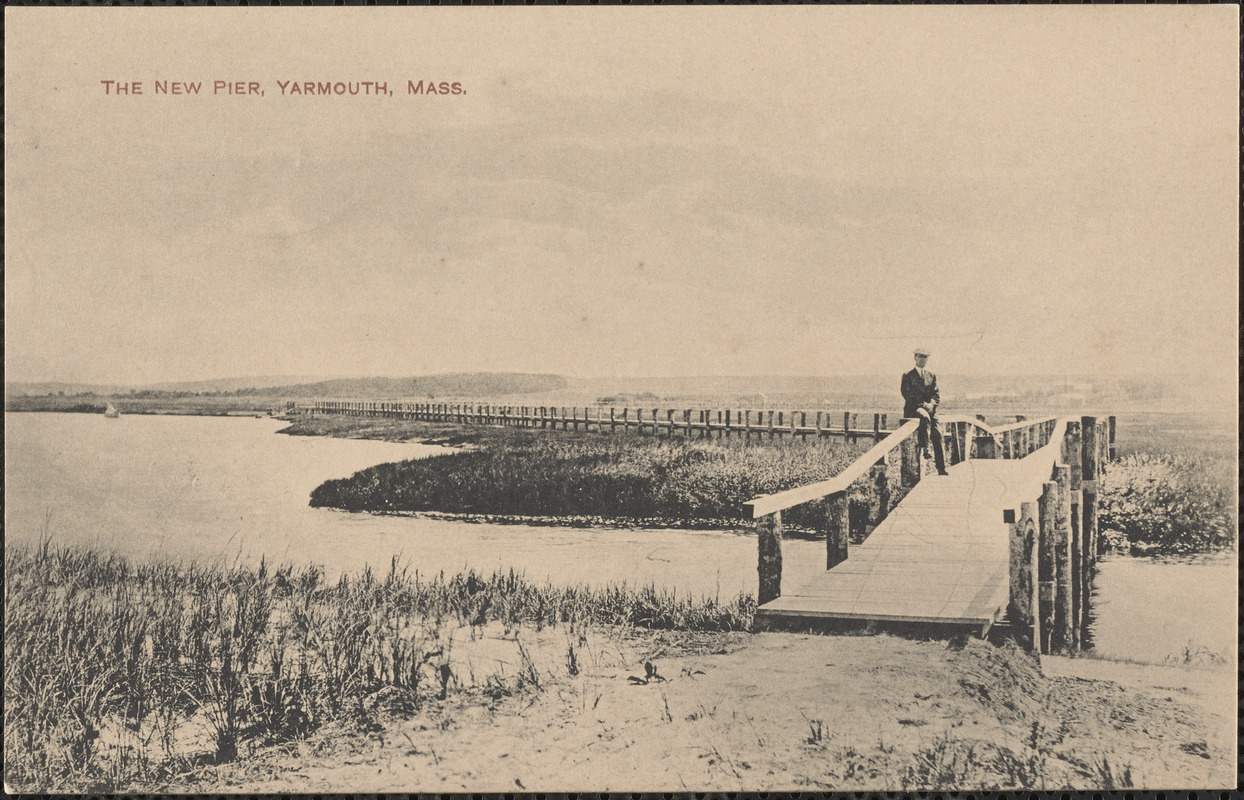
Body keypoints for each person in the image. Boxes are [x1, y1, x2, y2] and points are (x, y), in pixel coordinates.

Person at [901, 347, 947, 476]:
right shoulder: (907, 376)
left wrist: (932, 404)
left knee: (938, 433)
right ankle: (926, 449)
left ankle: (941, 469)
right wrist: (923, 405)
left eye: (925, 357)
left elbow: (936, 394)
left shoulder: (931, 376)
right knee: (925, 417)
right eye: (920, 356)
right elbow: (907, 394)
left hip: (930, 409)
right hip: (914, 409)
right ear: (915, 357)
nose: (922, 360)